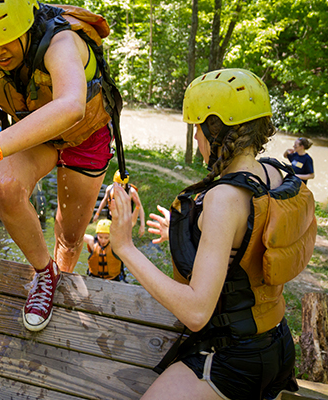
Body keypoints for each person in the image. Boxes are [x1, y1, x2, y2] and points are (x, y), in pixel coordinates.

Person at [106, 68, 312, 400]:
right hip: (277, 345)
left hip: (233, 360)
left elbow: (196, 312)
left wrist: (126, 247)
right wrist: (198, 241)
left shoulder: (223, 200)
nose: (197, 140)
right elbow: (249, 248)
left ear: (215, 131)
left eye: (198, 130)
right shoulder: (274, 173)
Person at [0, 0, 119, 332]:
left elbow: (71, 105)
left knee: (71, 235)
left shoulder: (61, 42)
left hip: (85, 137)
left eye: (7, 39)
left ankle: (64, 274)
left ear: (26, 25)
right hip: (39, 137)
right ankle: (45, 275)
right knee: (5, 185)